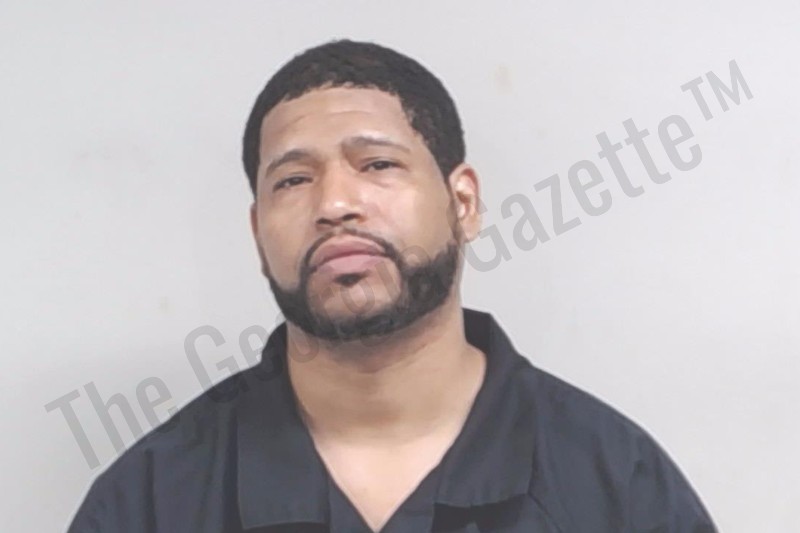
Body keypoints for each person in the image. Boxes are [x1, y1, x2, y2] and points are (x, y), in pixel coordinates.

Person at [68, 39, 717, 532]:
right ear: (258, 232)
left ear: (463, 203)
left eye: (377, 164)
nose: (335, 204)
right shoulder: (152, 500)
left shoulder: (615, 484)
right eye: (293, 180)